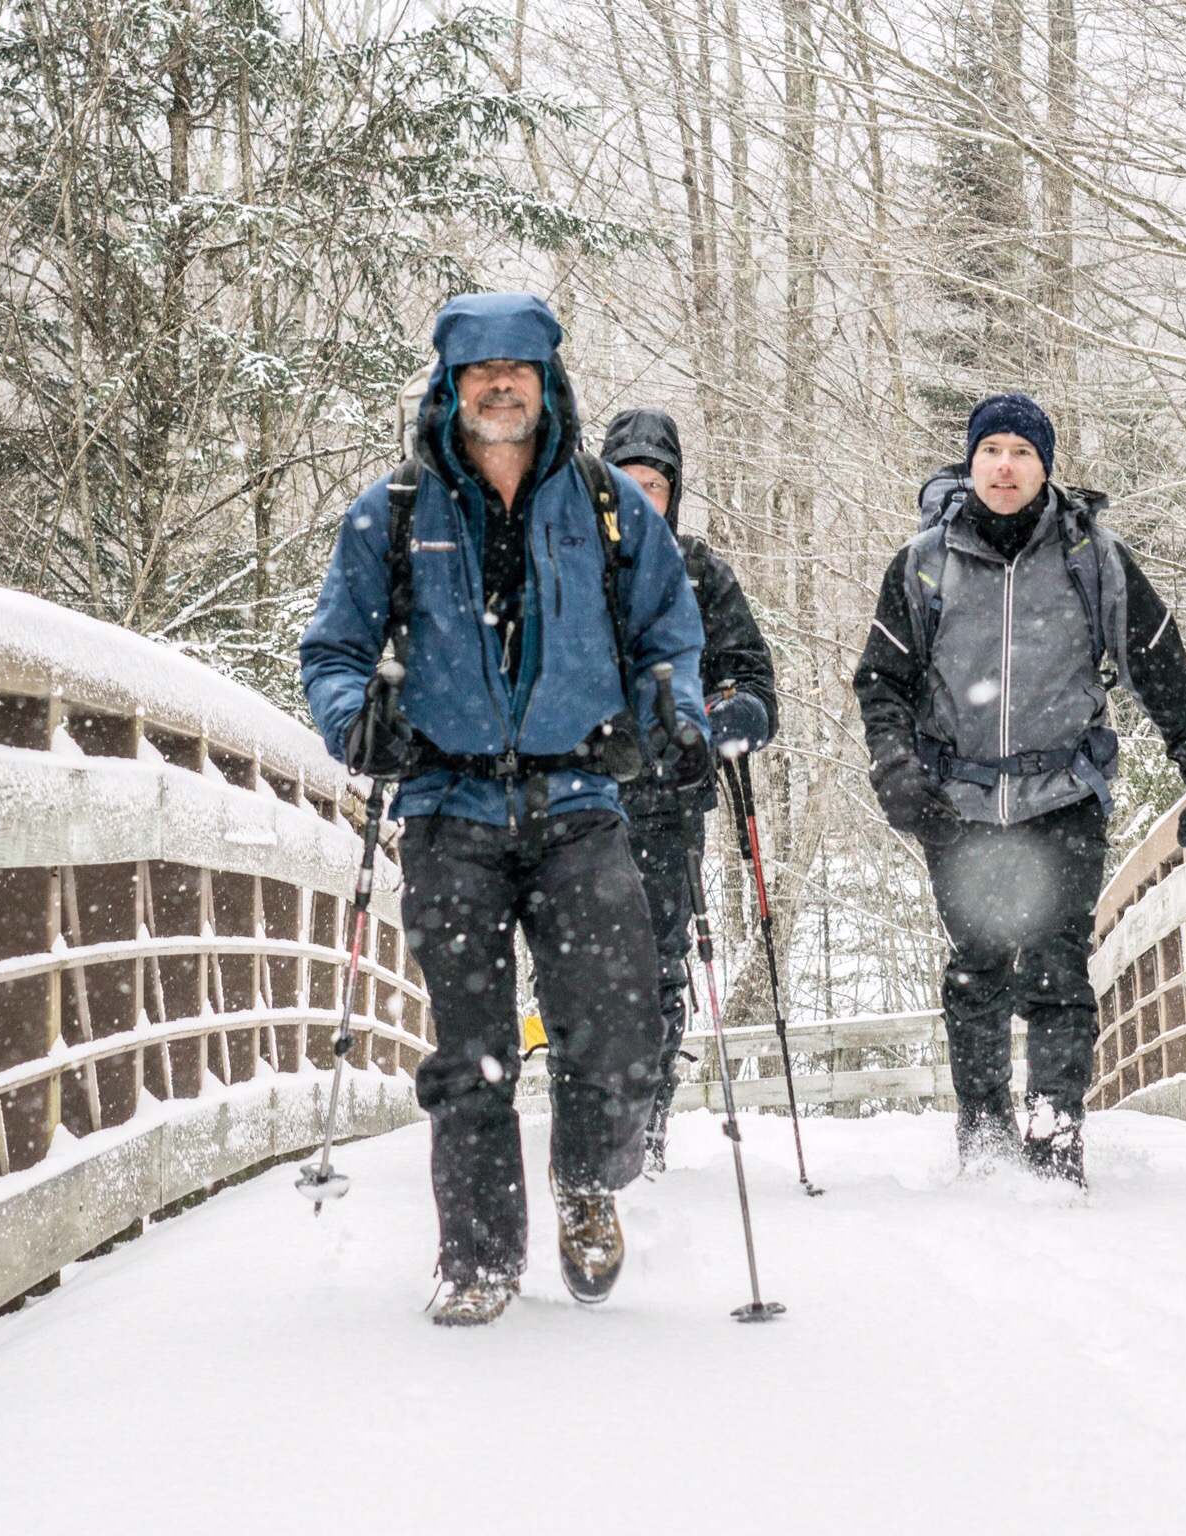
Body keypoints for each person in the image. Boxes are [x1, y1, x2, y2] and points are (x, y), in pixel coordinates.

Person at [301, 292, 711, 1326]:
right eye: (477, 371)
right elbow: (333, 653)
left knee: (618, 1026)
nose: (497, 386)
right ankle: (479, 1257)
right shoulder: (392, 513)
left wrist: (676, 703)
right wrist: (353, 718)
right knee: (470, 1045)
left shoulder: (609, 508)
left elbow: (673, 633)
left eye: (515, 371)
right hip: (449, 805)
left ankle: (587, 1186)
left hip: (579, 800)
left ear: (546, 381)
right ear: (450, 383)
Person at [853, 392, 1186, 1186]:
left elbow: (1162, 673)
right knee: (980, 966)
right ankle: (986, 1133)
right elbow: (881, 681)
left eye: (1022, 453)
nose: (1005, 466)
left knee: (1058, 970)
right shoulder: (924, 562)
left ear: (1046, 467)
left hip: (1063, 792)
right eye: (991, 450)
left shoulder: (1093, 558)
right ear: (970, 463)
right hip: (957, 801)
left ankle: (1055, 1134)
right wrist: (895, 766)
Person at [599, 407, 779, 1172]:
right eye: (627, 483)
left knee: (661, 961)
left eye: (656, 485)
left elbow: (753, 677)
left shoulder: (701, 573)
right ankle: (597, 1113)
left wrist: (734, 712)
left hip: (671, 801)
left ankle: (645, 1123)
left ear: (675, 492)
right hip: (583, 797)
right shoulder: (570, 564)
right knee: (587, 964)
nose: (643, 497)